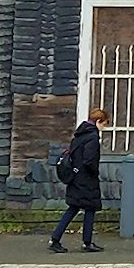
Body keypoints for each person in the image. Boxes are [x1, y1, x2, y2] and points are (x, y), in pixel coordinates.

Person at [50, 108, 110, 253]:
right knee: (89, 208)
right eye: (104, 124)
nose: (103, 128)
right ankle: (86, 242)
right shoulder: (93, 137)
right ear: (98, 122)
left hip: (75, 177)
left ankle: (56, 239)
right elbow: (89, 160)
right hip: (86, 179)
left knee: (74, 207)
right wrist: (94, 172)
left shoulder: (79, 135)